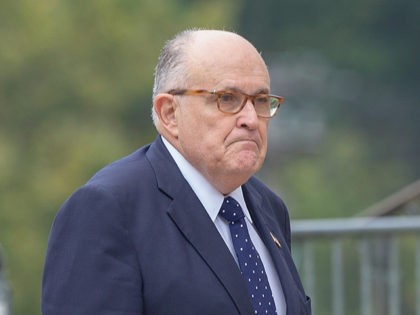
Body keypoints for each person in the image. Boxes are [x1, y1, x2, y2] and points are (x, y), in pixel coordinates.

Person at [42, 29, 311, 315]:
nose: (250, 120)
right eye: (227, 99)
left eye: (260, 101)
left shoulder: (268, 207)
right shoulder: (108, 209)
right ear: (169, 113)